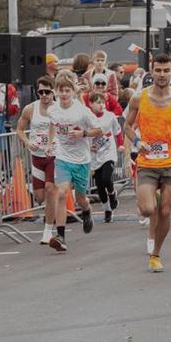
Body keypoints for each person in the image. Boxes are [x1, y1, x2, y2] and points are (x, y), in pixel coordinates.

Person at [123, 53, 171, 272]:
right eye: (158, 70)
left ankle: (156, 254)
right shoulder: (138, 98)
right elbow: (127, 127)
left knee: (165, 211)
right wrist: (138, 141)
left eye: (166, 70)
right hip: (148, 161)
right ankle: (151, 197)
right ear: (152, 71)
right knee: (147, 209)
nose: (162, 75)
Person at [45, 75, 105, 252]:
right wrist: (50, 143)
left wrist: (83, 134)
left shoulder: (81, 111)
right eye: (61, 90)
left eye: (67, 90)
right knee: (62, 193)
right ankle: (61, 236)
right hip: (63, 157)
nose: (64, 94)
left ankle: (86, 210)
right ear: (56, 91)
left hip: (82, 159)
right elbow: (52, 125)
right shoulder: (53, 110)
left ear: (72, 92)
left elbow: (99, 130)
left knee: (80, 198)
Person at [16, 76, 60, 244]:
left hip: (54, 155)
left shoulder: (58, 109)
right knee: (40, 196)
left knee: (50, 189)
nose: (44, 95)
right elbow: (19, 129)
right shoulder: (30, 109)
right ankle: (51, 210)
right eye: (40, 92)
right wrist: (27, 142)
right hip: (37, 156)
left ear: (53, 91)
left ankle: (47, 231)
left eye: (47, 92)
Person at [87, 92, 122, 223]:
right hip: (95, 156)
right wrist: (88, 147)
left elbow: (118, 131)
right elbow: (82, 135)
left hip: (109, 152)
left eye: (102, 102)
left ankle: (112, 195)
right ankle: (107, 210)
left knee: (106, 178)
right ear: (90, 104)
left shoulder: (110, 116)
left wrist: (121, 145)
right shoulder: (87, 118)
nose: (101, 105)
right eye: (98, 102)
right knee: (100, 186)